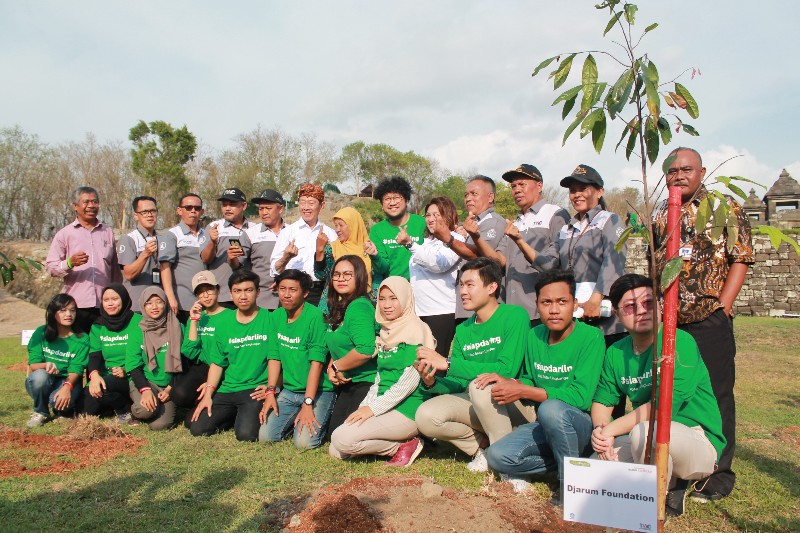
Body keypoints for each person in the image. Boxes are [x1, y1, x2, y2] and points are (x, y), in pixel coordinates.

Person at [652, 147, 754, 502]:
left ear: (702, 171)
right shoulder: (662, 213)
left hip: (708, 319)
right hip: (672, 322)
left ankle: (719, 474)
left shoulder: (725, 209)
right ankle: (678, 466)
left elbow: (740, 258)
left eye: (686, 169)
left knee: (717, 392)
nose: (678, 176)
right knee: (674, 390)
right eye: (672, 171)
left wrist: (723, 307)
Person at [590, 273, 725, 517]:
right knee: (594, 466)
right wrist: (601, 433)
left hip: (696, 440)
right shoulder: (616, 352)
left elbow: (663, 408)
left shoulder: (677, 342)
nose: (641, 311)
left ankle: (665, 493)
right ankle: (661, 481)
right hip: (647, 435)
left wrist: (612, 430)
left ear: (661, 306)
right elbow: (603, 400)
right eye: (630, 306)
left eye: (649, 303)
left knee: (645, 433)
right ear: (618, 316)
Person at [484, 270, 605, 501]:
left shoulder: (591, 337)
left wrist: (524, 390)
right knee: (498, 456)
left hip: (579, 424)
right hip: (545, 425)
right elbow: (531, 377)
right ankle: (567, 463)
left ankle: (570, 485)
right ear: (537, 305)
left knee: (550, 408)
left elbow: (581, 397)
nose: (554, 309)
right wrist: (515, 383)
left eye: (562, 302)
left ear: (574, 304)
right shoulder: (535, 335)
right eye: (546, 302)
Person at [415, 257, 530, 472]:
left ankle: (508, 464)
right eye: (461, 285)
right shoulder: (464, 329)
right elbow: (458, 382)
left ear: (492, 287)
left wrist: (447, 363)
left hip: (516, 404)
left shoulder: (515, 316)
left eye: (470, 285)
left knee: (482, 387)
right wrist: (432, 382)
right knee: (426, 416)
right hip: (478, 403)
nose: (463, 292)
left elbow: (506, 370)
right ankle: (481, 449)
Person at [330, 276, 436, 466]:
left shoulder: (416, 330)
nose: (387, 305)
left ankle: (403, 446)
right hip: (384, 402)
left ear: (405, 299)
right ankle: (399, 445)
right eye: (382, 298)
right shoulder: (386, 331)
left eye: (393, 298)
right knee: (336, 449)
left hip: (406, 409)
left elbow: (408, 383)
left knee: (342, 440)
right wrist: (365, 405)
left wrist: (372, 409)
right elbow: (380, 378)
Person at [556, 165, 628, 419]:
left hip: (604, 315)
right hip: (577, 314)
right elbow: (554, 263)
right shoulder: (567, 228)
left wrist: (597, 298)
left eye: (583, 188)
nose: (576, 195)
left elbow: (614, 260)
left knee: (609, 377)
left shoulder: (610, 221)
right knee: (581, 372)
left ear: (599, 191)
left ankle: (613, 437)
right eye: (572, 190)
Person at [467, 164, 569, 324]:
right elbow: (499, 260)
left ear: (539, 185)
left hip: (541, 309)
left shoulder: (555, 214)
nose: (517, 190)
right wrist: (476, 237)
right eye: (513, 186)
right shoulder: (515, 222)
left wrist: (519, 241)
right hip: (513, 310)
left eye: (522, 184)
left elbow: (552, 264)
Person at [190, 269, 272, 442]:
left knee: (246, 435)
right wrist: (208, 394)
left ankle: (244, 416)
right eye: (237, 291)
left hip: (254, 389)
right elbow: (217, 363)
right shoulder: (223, 322)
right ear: (231, 294)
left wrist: (272, 387)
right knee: (198, 428)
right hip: (228, 388)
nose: (243, 296)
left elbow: (279, 359)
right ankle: (235, 414)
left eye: (248, 290)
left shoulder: (270, 319)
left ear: (258, 292)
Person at [258, 269, 336, 449]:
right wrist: (271, 392)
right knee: (266, 437)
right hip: (289, 391)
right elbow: (274, 356)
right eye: (282, 289)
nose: (286, 295)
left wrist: (308, 403)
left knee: (304, 444)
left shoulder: (315, 317)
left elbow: (316, 363)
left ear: (305, 293)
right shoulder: (276, 316)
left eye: (292, 290)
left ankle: (319, 417)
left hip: (318, 392)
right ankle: (295, 419)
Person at [45, 186, 120, 333]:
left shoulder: (107, 232)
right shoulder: (64, 234)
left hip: (104, 306)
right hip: (76, 306)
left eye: (95, 202)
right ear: (75, 206)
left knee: (102, 351)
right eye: (86, 202)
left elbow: (115, 271)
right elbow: (51, 267)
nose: (91, 206)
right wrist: (69, 263)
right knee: (79, 349)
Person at [324, 255, 378, 434]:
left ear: (360, 277)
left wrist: (338, 366)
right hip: (350, 382)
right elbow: (342, 340)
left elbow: (365, 349)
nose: (341, 279)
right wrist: (332, 366)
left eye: (347, 274)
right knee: (335, 434)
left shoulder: (359, 307)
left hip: (368, 381)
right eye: (337, 274)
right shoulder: (341, 305)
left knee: (344, 435)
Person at [408, 196, 465, 356]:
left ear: (448, 215)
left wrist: (409, 245)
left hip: (440, 311)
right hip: (419, 311)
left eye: (437, 214)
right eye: (428, 215)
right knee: (419, 361)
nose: (431, 219)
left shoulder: (457, 239)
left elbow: (439, 264)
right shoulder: (425, 242)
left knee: (435, 361)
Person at [126, 287, 187, 430]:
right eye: (149, 303)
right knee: (144, 411)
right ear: (143, 305)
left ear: (165, 303)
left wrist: (170, 389)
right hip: (147, 381)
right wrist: (145, 390)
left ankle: (165, 408)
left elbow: (185, 362)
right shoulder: (137, 329)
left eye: (159, 302)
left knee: (159, 426)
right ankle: (137, 412)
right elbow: (133, 365)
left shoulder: (178, 327)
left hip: (170, 384)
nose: (154, 307)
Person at [25, 294, 89, 427]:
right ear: (53, 313)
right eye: (63, 310)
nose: (69, 314)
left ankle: (60, 410)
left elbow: (76, 368)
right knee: (39, 378)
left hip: (67, 379)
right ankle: (40, 412)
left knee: (59, 403)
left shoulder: (82, 338)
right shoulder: (41, 333)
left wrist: (67, 387)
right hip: (46, 378)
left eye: (72, 310)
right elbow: (33, 364)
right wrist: (45, 365)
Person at [451, 175, 507, 323]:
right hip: (468, 305)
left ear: (490, 197)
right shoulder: (475, 222)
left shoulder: (492, 222)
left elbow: (479, 257)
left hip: (482, 308)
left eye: (474, 194)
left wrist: (447, 238)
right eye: (466, 195)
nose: (468, 198)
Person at [270, 183, 337, 306]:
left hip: (319, 293)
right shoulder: (287, 233)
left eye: (311, 203)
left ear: (322, 205)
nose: (306, 207)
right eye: (302, 202)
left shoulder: (331, 234)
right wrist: (286, 257)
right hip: (292, 292)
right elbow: (275, 270)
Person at [83, 284, 140, 422]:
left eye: (115, 299)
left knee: (104, 388)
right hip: (106, 375)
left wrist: (126, 369)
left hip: (132, 375)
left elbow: (146, 353)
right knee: (85, 410)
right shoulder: (98, 325)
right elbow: (94, 354)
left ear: (124, 299)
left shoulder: (138, 321)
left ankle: (125, 409)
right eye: (106, 300)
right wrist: (94, 376)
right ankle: (113, 405)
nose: (110, 303)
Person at [368, 176, 426, 287]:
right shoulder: (377, 231)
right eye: (387, 199)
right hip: (392, 288)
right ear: (382, 205)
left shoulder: (422, 223)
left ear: (407, 200)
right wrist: (375, 256)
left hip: (421, 286)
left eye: (397, 197)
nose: (392, 202)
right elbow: (382, 269)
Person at [160, 193, 209, 323]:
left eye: (197, 208)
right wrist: (170, 297)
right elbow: (165, 268)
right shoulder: (172, 235)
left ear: (202, 211)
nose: (193, 211)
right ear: (179, 210)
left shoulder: (207, 235)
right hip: (182, 301)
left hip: (205, 300)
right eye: (188, 207)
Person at [314, 206, 373, 315]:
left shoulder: (369, 249)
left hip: (362, 305)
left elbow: (377, 276)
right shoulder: (332, 249)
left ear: (353, 225)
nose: (337, 230)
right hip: (333, 306)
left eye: (341, 225)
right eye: (335, 226)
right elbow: (320, 275)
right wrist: (319, 251)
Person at [201, 187, 252, 308]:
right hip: (221, 295)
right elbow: (205, 259)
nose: (227, 208)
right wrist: (213, 242)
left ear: (244, 206)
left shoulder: (254, 228)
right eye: (224, 205)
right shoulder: (214, 226)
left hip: (248, 296)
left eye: (232, 204)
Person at [117, 196, 161, 313]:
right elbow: (129, 274)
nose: (150, 215)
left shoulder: (163, 239)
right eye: (145, 212)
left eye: (153, 211)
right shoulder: (129, 239)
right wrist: (145, 254)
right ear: (136, 215)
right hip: (137, 306)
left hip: (159, 305)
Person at [246, 189, 286, 311]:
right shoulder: (250, 234)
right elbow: (240, 266)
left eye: (268, 208)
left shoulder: (292, 232)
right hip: (260, 300)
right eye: (261, 208)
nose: (264, 212)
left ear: (280, 209)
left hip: (287, 299)